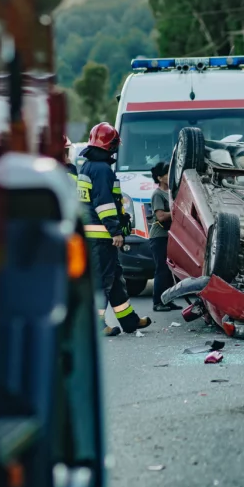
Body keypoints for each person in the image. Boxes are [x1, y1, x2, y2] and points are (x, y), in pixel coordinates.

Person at [77, 122, 152, 336]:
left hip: (95, 235)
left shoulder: (88, 166)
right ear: (110, 146)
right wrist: (116, 231)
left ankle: (129, 320)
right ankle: (97, 325)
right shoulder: (101, 170)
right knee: (103, 281)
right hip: (102, 236)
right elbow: (104, 205)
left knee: (115, 279)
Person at [148, 161, 182, 312]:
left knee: (169, 270)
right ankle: (158, 303)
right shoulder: (157, 194)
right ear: (160, 177)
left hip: (170, 236)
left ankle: (167, 300)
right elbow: (160, 216)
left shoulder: (172, 192)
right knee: (161, 269)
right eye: (167, 173)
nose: (171, 176)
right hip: (159, 237)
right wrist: (176, 212)